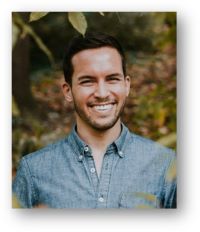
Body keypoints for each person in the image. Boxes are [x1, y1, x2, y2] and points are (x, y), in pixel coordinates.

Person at [12, 32, 176, 208]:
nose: (102, 93)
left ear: (126, 85)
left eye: (112, 79)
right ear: (68, 91)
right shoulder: (33, 171)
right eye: (88, 81)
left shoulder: (165, 164)